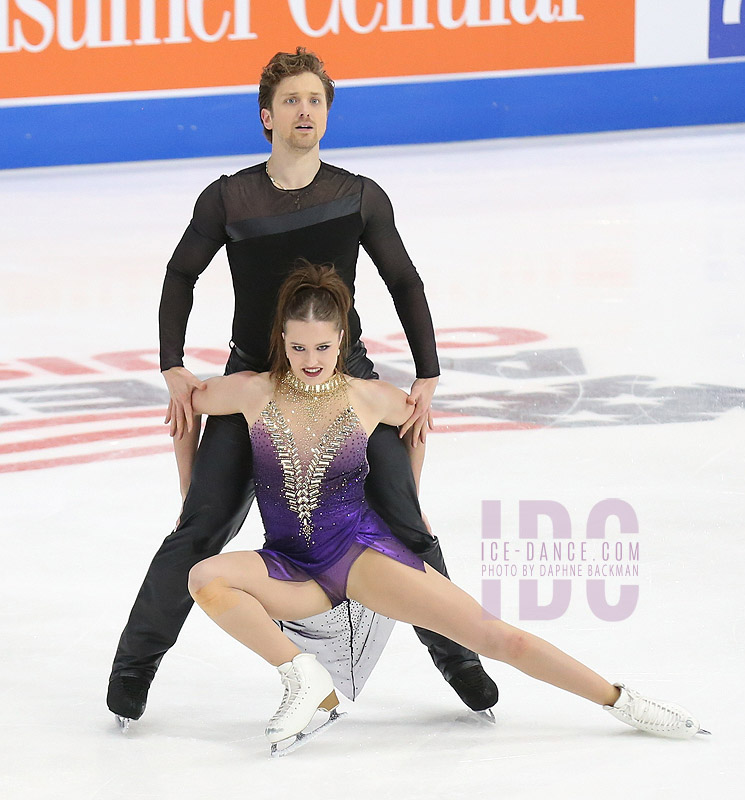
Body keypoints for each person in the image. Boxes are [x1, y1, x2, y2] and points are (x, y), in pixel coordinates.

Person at [107, 47, 497, 725]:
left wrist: (428, 371)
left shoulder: (358, 195)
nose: (304, 111)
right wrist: (172, 362)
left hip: (341, 380)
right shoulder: (230, 196)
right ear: (267, 116)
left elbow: (405, 281)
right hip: (254, 383)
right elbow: (180, 274)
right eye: (291, 100)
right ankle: (134, 664)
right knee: (200, 527)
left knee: (405, 519)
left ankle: (458, 653)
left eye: (315, 100)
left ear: (327, 113)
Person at [185, 263, 707, 755]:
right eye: (299, 347)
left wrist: (411, 506)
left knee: (498, 638)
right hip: (290, 568)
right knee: (206, 577)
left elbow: (416, 428)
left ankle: (624, 701)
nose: (312, 359)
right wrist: (189, 493)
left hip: (359, 558)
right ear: (281, 339)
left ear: (342, 338)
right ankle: (304, 678)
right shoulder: (252, 392)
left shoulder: (371, 398)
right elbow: (185, 403)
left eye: (323, 345)